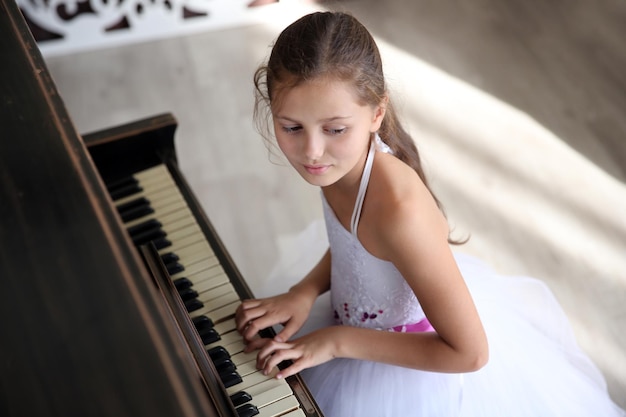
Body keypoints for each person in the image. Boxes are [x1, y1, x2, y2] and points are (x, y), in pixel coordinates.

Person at [234, 11, 625, 417]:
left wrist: (335, 341)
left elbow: (470, 353)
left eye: (334, 129)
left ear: (376, 114)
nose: (312, 151)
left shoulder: (401, 212)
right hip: (351, 329)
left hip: (419, 364)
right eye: (292, 127)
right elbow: (356, 244)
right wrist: (305, 290)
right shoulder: (339, 162)